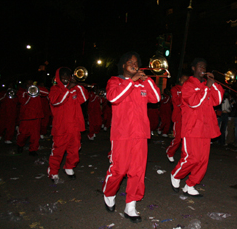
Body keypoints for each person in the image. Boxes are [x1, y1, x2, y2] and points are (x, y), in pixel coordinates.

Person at [102, 52, 160, 223]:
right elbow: (113, 98)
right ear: (123, 65)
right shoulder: (115, 81)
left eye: (136, 62)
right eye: (130, 62)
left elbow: (156, 98)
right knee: (119, 170)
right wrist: (131, 81)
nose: (134, 64)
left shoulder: (142, 83)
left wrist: (146, 80)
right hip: (121, 135)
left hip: (140, 134)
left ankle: (131, 206)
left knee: (138, 171)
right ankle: (109, 192)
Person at [170, 58, 224, 197]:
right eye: (200, 66)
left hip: (206, 128)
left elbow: (217, 100)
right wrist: (206, 88)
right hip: (192, 127)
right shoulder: (188, 85)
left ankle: (190, 184)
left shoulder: (207, 85)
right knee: (192, 158)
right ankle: (176, 175)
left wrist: (214, 85)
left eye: (204, 67)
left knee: (203, 160)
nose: (203, 69)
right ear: (193, 68)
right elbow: (194, 103)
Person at [47, 68, 88, 183]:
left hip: (74, 126)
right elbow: (57, 101)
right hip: (61, 127)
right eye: (63, 76)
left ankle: (69, 167)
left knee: (75, 149)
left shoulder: (74, 89)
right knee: (58, 151)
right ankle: (53, 172)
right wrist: (68, 88)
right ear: (58, 77)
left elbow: (84, 98)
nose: (65, 78)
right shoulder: (54, 89)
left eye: (67, 76)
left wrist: (77, 85)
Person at [16, 80, 47, 156]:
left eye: (31, 83)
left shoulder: (37, 90)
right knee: (23, 135)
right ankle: (20, 145)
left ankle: (33, 150)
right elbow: (23, 102)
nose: (30, 85)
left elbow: (46, 93)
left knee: (35, 135)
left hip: (36, 117)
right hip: (26, 117)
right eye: (28, 83)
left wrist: (37, 88)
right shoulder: (22, 92)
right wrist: (29, 93)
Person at [166, 74, 189, 163]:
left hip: (187, 117)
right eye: (183, 79)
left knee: (186, 139)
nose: (184, 82)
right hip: (178, 117)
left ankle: (185, 156)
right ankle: (170, 152)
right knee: (178, 139)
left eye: (186, 80)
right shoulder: (175, 89)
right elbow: (177, 102)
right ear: (179, 79)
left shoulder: (188, 89)